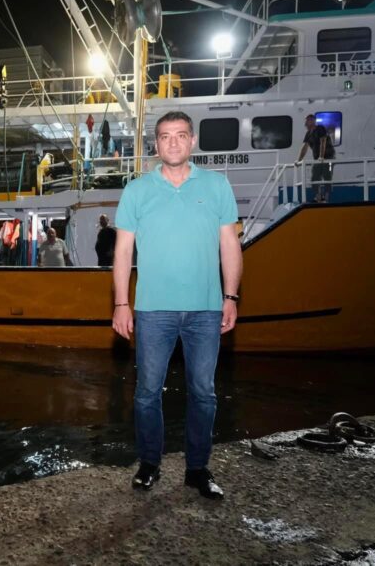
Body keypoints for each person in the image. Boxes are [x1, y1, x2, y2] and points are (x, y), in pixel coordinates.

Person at [112, 111, 243, 501]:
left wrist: (231, 296)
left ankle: (197, 469)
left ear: (192, 141)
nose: (173, 142)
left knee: (203, 393)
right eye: (165, 136)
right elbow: (123, 252)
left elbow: (230, 245)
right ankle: (149, 464)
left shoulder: (217, 185)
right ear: (156, 144)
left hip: (206, 309)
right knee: (146, 393)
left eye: (181, 135)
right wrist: (121, 302)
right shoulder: (137, 190)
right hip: (153, 310)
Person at [296, 114, 335, 203]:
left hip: (329, 158)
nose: (305, 124)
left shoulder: (320, 129)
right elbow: (304, 147)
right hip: (317, 159)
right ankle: (318, 197)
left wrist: (321, 156)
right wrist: (299, 160)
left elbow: (323, 141)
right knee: (314, 177)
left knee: (327, 176)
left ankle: (326, 198)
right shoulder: (308, 134)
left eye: (307, 121)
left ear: (312, 121)